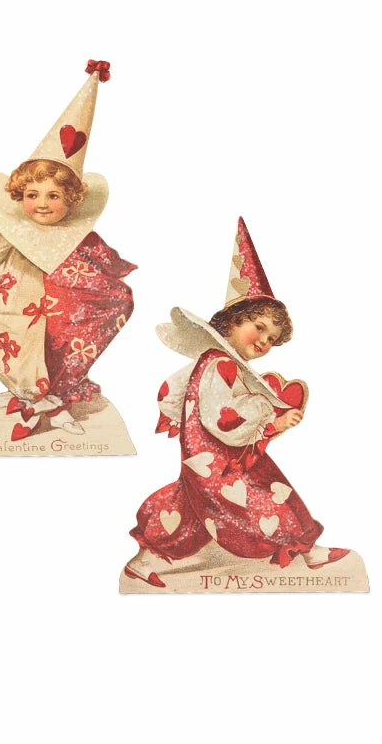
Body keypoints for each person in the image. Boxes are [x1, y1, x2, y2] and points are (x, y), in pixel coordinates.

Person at [125, 218, 349, 587]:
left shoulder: (218, 362)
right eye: (259, 328)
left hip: (210, 456)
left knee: (191, 508)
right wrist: (271, 423)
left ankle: (309, 550)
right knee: (267, 494)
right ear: (231, 321)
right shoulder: (221, 364)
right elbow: (224, 420)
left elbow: (174, 393)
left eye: (272, 339)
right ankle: (308, 550)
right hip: (219, 459)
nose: (264, 341)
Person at [0, 61, 136, 441]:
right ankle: (35, 400)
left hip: (69, 310)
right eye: (33, 195)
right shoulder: (11, 232)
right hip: (20, 304)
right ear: (20, 196)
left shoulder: (79, 236)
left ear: (72, 199)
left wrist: (115, 275)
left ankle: (58, 395)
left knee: (64, 346)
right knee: (23, 346)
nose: (43, 204)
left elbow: (104, 258)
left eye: (54, 196)